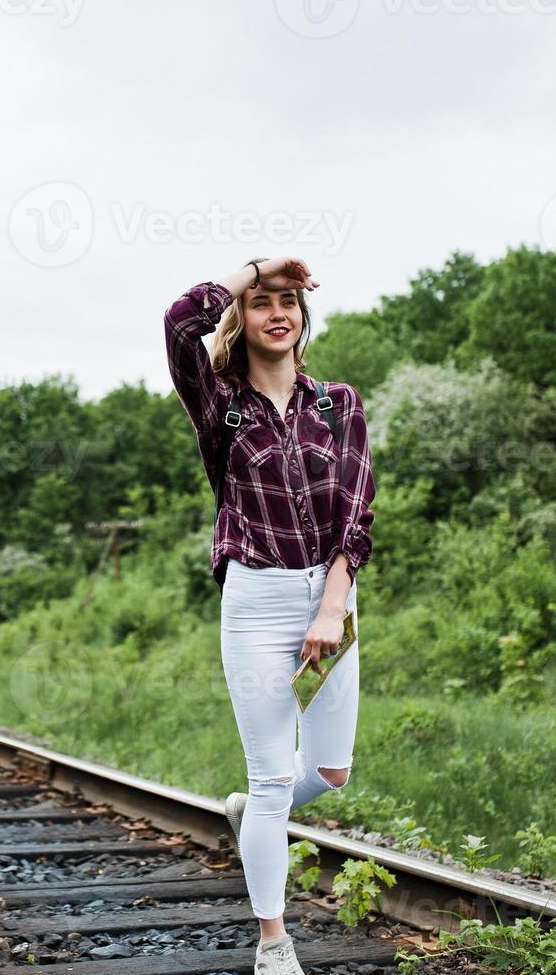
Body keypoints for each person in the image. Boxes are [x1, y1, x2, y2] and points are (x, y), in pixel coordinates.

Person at [162, 256, 376, 975]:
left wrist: (331, 604)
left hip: (330, 596)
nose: (277, 312)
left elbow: (356, 510)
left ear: (302, 317)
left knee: (330, 770)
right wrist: (250, 269)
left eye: (288, 300)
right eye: (261, 303)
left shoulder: (337, 403)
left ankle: (247, 810)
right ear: (242, 319)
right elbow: (177, 321)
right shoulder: (217, 403)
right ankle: (274, 944)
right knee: (273, 783)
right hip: (255, 601)